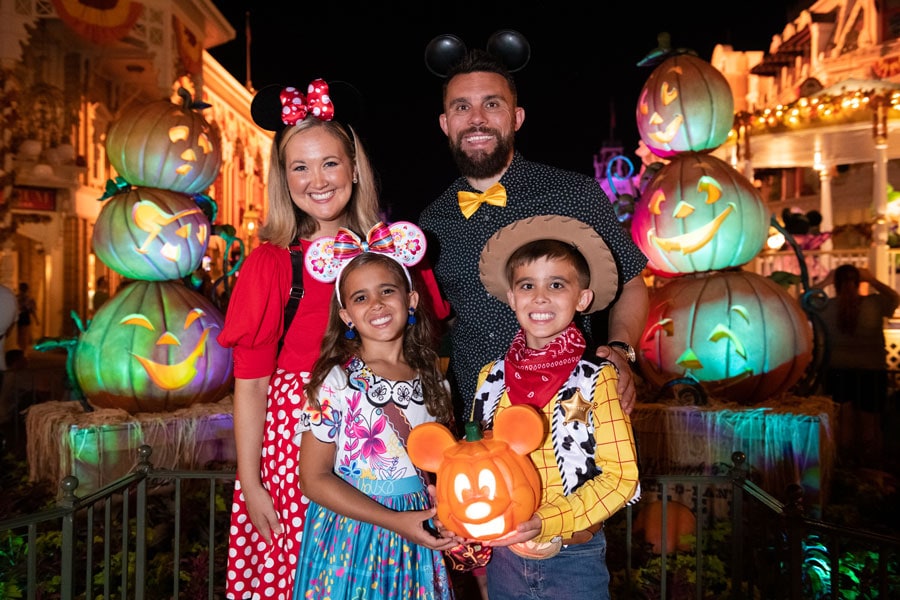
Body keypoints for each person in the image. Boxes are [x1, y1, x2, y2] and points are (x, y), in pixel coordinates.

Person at [217, 80, 449, 600]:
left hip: (385, 451)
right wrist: (251, 481)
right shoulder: (274, 264)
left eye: (329, 163)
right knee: (306, 579)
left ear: (354, 168)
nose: (316, 180)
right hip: (298, 450)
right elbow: (252, 387)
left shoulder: (398, 259)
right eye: (299, 167)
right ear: (284, 179)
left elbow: (424, 358)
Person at [417, 47, 649, 428]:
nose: (476, 120)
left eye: (492, 104)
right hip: (478, 421)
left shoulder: (574, 195)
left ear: (516, 117)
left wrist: (622, 351)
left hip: (571, 413)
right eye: (462, 108)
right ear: (445, 123)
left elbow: (632, 283)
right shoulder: (433, 221)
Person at [469, 216, 640, 600]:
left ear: (582, 299)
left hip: (574, 555)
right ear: (512, 298)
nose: (540, 297)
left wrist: (547, 520)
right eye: (527, 285)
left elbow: (621, 478)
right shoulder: (491, 378)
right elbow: (480, 459)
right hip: (505, 556)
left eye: (557, 285)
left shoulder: (597, 378)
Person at [293, 224, 456, 599]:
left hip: (416, 532)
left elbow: (440, 467)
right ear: (346, 315)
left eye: (387, 291)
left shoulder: (434, 378)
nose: (377, 304)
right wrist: (394, 521)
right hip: (353, 538)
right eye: (361, 297)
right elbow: (313, 479)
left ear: (411, 300)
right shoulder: (334, 383)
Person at [819, 265, 899, 467]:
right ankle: (869, 468)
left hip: (838, 369)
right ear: (859, 282)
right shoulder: (875, 304)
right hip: (872, 370)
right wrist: (872, 280)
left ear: (835, 284)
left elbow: (803, 302)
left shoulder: (826, 307)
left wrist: (825, 281)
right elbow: (895, 298)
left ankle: (845, 466)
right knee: (870, 422)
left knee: (842, 420)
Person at [16, 282, 38, 352]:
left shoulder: (16, 298)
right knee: (24, 334)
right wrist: (36, 319)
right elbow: (33, 310)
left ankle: (20, 349)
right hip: (25, 317)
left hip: (18, 317)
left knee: (19, 335)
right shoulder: (30, 299)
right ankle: (23, 350)